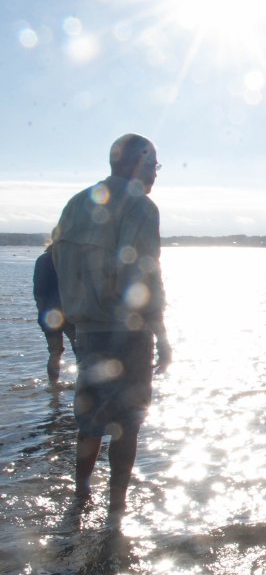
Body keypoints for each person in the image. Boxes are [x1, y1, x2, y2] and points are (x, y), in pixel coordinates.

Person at [51, 133, 172, 511]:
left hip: (86, 330)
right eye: (152, 165)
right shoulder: (140, 205)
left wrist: (72, 319)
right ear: (135, 164)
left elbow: (57, 262)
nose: (155, 174)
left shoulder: (76, 204)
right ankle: (116, 510)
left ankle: (80, 495)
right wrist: (162, 335)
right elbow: (143, 273)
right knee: (128, 424)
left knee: (89, 421)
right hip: (128, 333)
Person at [33, 242, 77, 383]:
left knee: (54, 352)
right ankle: (82, 385)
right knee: (79, 349)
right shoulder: (70, 259)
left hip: (49, 314)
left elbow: (38, 291)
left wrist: (41, 313)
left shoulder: (42, 260)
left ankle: (54, 388)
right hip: (69, 311)